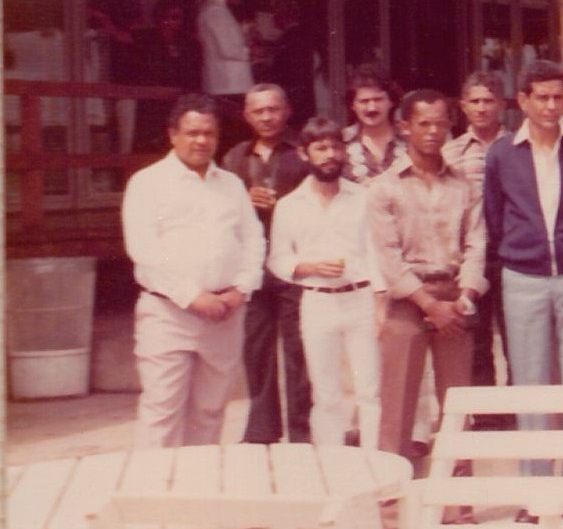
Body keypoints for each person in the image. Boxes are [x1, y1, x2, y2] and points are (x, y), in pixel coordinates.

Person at [483, 58, 563, 476]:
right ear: (523, 101)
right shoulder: (502, 154)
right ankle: (535, 483)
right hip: (523, 279)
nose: (553, 106)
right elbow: (495, 218)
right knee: (530, 382)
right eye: (543, 98)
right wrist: (522, 250)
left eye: (559, 96)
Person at [123, 93, 264, 447]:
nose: (201, 141)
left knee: (210, 412)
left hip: (224, 314)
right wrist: (192, 297)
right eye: (192, 133)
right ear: (173, 134)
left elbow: (253, 239)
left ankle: (199, 481)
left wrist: (241, 288)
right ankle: (155, 484)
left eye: (209, 133)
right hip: (168, 314)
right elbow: (144, 251)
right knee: (162, 411)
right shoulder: (147, 183)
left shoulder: (231, 184)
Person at [364, 88, 489, 461]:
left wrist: (465, 298)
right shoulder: (384, 187)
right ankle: (393, 489)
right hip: (407, 302)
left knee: (457, 404)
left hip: (454, 300)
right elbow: (387, 257)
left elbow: (476, 244)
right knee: (397, 407)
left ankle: (457, 491)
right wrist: (428, 305)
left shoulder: (463, 185)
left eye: (440, 124)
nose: (433, 132)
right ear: (405, 127)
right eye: (423, 124)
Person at [268, 117, 381, 449]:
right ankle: (332, 464)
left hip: (361, 300)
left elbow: (376, 253)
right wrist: (308, 267)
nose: (330, 154)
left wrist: (381, 302)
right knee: (326, 393)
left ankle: (374, 462)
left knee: (370, 390)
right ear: (305, 154)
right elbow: (277, 258)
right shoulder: (289, 206)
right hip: (317, 302)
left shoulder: (363, 197)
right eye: (320, 148)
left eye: (335, 147)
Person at [220, 83, 311, 445]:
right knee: (256, 348)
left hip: (294, 262)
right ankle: (262, 430)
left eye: (273, 109)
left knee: (298, 350)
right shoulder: (235, 158)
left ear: (287, 110)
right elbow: (221, 208)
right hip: (254, 266)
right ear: (247, 116)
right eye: (259, 111)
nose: (267, 117)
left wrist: (284, 201)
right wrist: (244, 198)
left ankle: (302, 430)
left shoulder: (302, 152)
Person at [444, 68, 510, 395]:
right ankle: (487, 416)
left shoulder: (518, 145)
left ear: (501, 104)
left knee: (516, 337)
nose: (482, 108)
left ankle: (517, 411)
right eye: (475, 101)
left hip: (510, 252)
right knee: (477, 340)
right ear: (463, 106)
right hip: (472, 255)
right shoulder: (451, 152)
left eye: (488, 101)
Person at [119, 0, 203, 151]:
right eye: (166, 17)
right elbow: (121, 37)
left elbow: (194, 75)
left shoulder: (190, 42)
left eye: (176, 18)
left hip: (179, 101)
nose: (171, 22)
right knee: (150, 143)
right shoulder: (147, 38)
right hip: (152, 103)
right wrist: (102, 19)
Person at [198, 0, 255, 140]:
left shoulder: (218, 10)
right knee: (235, 137)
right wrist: (252, 52)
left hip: (228, 85)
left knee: (234, 136)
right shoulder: (215, 11)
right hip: (228, 86)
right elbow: (228, 49)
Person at [344, 64, 404, 185]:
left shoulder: (410, 141)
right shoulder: (341, 143)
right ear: (353, 106)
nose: (372, 108)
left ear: (391, 101)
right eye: (364, 101)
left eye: (378, 100)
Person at [271, 0, 321, 126]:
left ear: (283, 16)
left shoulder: (290, 38)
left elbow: (291, 72)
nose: (273, 19)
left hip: (294, 100)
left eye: (275, 14)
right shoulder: (303, 35)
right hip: (304, 98)